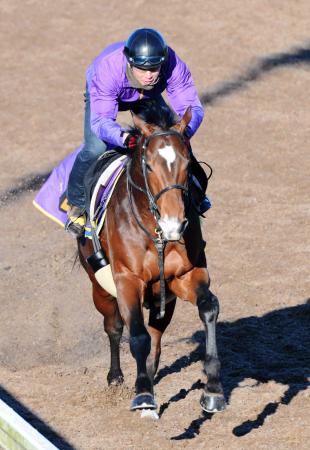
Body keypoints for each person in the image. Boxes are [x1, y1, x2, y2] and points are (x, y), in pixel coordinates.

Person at [65, 28, 209, 238]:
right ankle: (76, 204)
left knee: (173, 144)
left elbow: (192, 108)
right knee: (96, 147)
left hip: (147, 97)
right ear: (129, 62)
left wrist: (182, 134)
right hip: (105, 93)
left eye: (154, 68)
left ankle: (196, 193)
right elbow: (101, 121)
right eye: (142, 69)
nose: (149, 75)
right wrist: (124, 138)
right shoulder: (108, 70)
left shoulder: (172, 64)